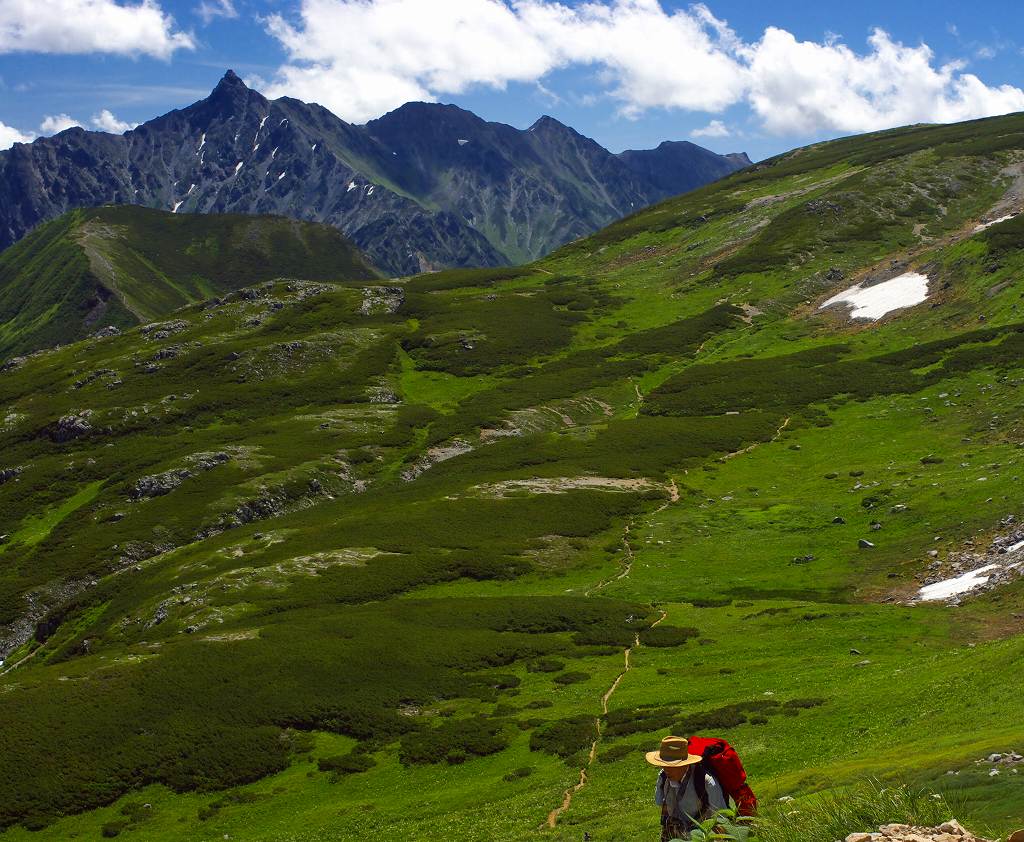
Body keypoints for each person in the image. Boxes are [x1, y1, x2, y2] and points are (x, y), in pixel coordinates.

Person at [646, 735, 728, 841]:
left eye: (671, 766)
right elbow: (660, 802)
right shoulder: (663, 778)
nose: (666, 770)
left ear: (684, 765)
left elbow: (721, 820)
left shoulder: (705, 782)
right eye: (663, 765)